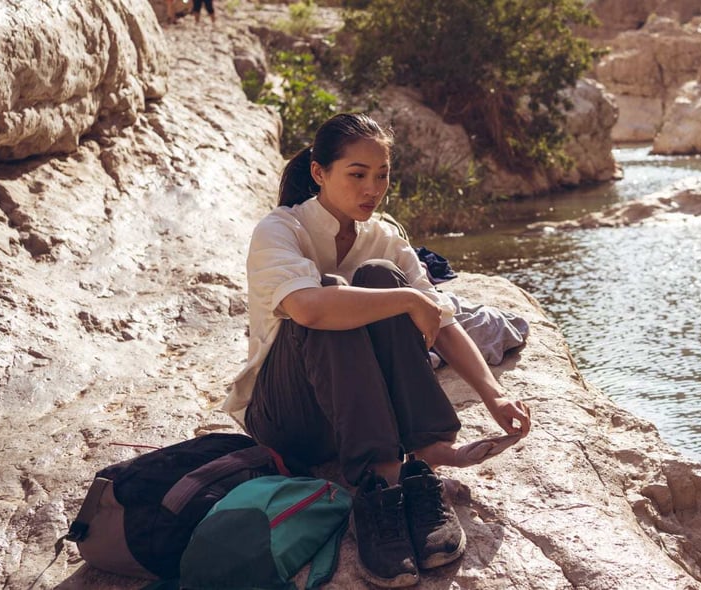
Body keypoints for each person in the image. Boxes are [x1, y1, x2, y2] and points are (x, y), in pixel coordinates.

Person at [224, 113, 532, 588]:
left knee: (379, 276)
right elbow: (308, 308)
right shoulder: (280, 229)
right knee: (331, 293)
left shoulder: (384, 236)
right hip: (289, 420)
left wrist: (494, 395)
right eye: (357, 174)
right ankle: (380, 487)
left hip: (359, 414)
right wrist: (409, 300)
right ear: (319, 172)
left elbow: (443, 322)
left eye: (382, 174)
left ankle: (423, 459)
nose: (373, 188)